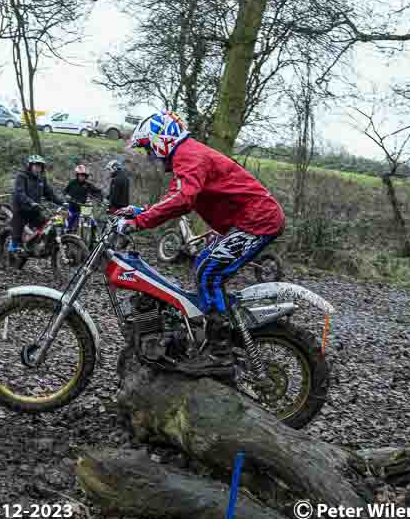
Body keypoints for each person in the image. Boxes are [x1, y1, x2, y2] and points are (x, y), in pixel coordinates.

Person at [116, 110, 286, 375]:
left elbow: (182, 200)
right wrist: (141, 212)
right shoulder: (188, 155)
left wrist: (139, 223)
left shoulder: (189, 155)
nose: (151, 156)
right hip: (248, 221)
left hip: (258, 221)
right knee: (203, 263)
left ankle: (220, 353)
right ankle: (214, 328)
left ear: (162, 139)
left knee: (208, 270)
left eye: (150, 148)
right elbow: (179, 196)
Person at [9, 154, 63, 252]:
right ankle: (12, 248)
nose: (38, 168)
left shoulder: (41, 178)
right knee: (17, 229)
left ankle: (35, 244)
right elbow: (20, 193)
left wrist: (62, 203)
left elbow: (49, 194)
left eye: (40, 166)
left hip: (35, 208)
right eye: (36, 166)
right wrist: (30, 202)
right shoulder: (22, 176)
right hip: (21, 208)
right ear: (30, 166)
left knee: (46, 225)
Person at [63, 164, 104, 232]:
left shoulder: (87, 185)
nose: (82, 177)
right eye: (80, 175)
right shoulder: (72, 183)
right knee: (70, 224)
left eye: (84, 175)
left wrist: (99, 199)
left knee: (93, 223)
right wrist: (67, 196)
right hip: (72, 206)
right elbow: (65, 191)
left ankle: (94, 238)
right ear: (77, 175)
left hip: (83, 207)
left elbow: (97, 191)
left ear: (86, 176)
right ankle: (67, 236)